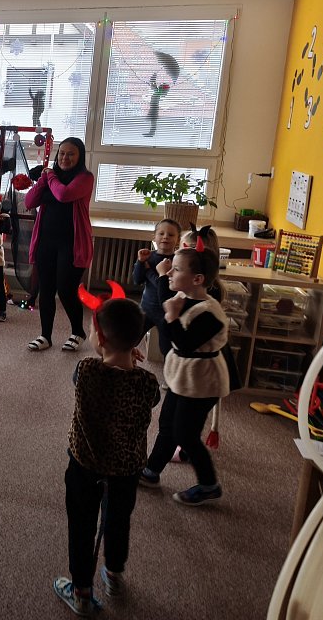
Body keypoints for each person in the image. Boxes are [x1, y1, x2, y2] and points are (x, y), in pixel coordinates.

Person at [53, 296, 160, 616]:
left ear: (99, 338)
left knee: (82, 526)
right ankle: (113, 572)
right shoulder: (147, 382)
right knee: (118, 520)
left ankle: (82, 592)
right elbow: (153, 399)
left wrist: (115, 356)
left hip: (85, 465)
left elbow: (86, 377)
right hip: (126, 469)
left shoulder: (86, 371)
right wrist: (130, 361)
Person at [140, 246, 229, 506]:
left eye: (176, 269)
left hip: (203, 382)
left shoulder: (210, 313)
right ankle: (151, 471)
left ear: (197, 279)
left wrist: (170, 316)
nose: (169, 272)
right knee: (168, 425)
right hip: (183, 376)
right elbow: (167, 305)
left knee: (185, 434)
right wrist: (162, 282)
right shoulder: (182, 295)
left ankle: (209, 485)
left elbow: (185, 342)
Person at [23, 137, 94, 353]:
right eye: (62, 153)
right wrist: (43, 179)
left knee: (65, 290)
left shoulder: (85, 178)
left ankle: (78, 332)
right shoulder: (50, 178)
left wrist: (50, 175)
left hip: (72, 244)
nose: (65, 158)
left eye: (71, 154)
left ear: (80, 156)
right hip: (46, 242)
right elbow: (29, 202)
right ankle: (45, 335)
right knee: (45, 290)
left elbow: (64, 195)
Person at [132, 218, 182, 356]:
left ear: (178, 240)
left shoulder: (177, 261)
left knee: (166, 349)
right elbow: (137, 280)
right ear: (154, 237)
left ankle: (169, 369)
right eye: (161, 233)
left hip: (166, 312)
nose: (165, 237)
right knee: (130, 339)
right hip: (146, 308)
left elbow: (164, 285)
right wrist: (140, 262)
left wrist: (149, 271)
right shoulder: (148, 256)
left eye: (171, 235)